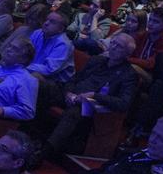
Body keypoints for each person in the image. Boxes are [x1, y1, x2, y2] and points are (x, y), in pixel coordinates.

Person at [36, 33, 138, 162]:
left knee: (75, 111)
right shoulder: (96, 60)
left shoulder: (129, 75)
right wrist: (69, 93)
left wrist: (94, 96)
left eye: (119, 46)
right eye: (113, 43)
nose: (113, 47)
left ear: (127, 54)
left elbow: (124, 103)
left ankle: (44, 152)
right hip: (70, 96)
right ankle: (29, 135)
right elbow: (73, 80)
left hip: (90, 106)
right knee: (42, 87)